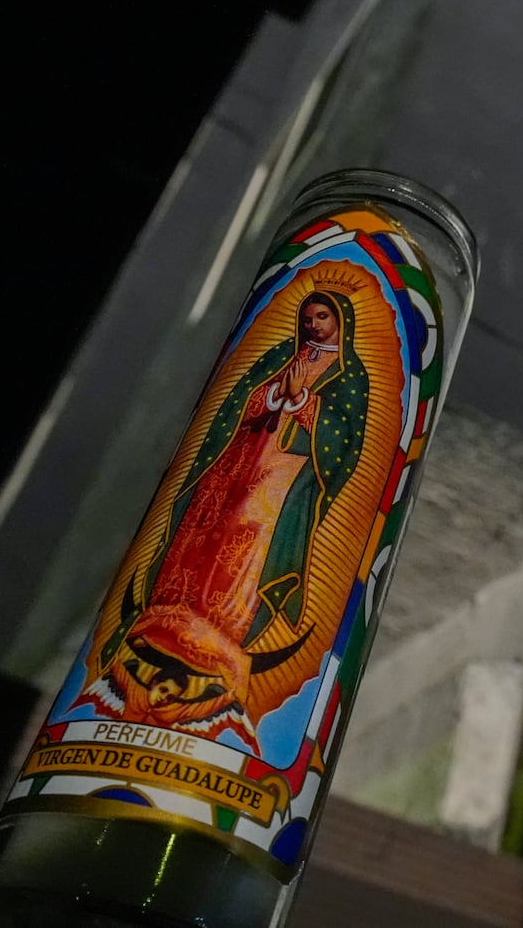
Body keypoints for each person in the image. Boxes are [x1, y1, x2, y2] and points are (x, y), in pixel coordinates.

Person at [79, 290, 370, 748]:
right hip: (241, 457)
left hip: (284, 474)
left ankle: (222, 630)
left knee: (249, 540)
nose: (313, 325)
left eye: (322, 316)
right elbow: (242, 399)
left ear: (341, 321)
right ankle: (173, 610)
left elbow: (345, 440)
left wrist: (302, 402)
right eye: (308, 317)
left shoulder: (350, 377)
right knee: (205, 526)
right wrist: (276, 392)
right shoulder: (284, 354)